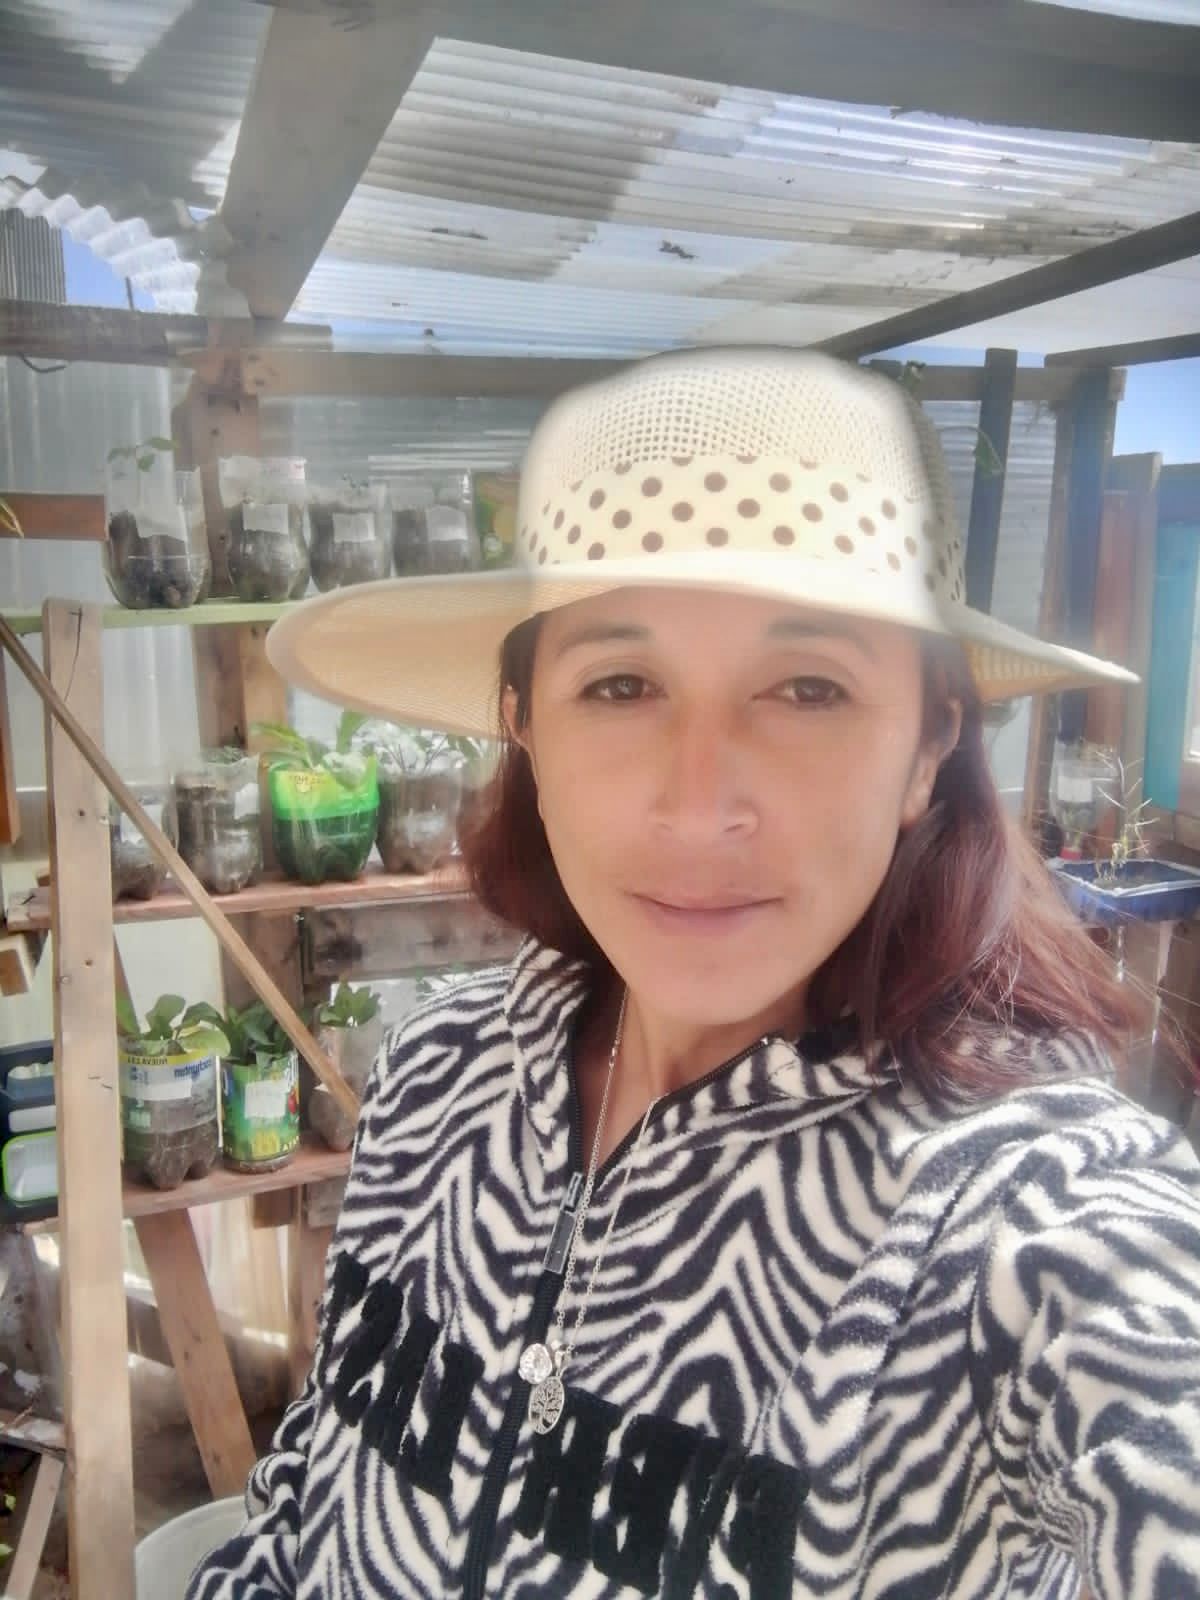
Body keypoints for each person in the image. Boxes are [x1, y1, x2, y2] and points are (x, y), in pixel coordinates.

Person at [189, 349, 1200, 1600]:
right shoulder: (437, 1077)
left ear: (929, 745)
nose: (699, 806)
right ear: (524, 723)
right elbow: (304, 1495)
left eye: (808, 688)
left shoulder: (1006, 1216)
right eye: (620, 685)